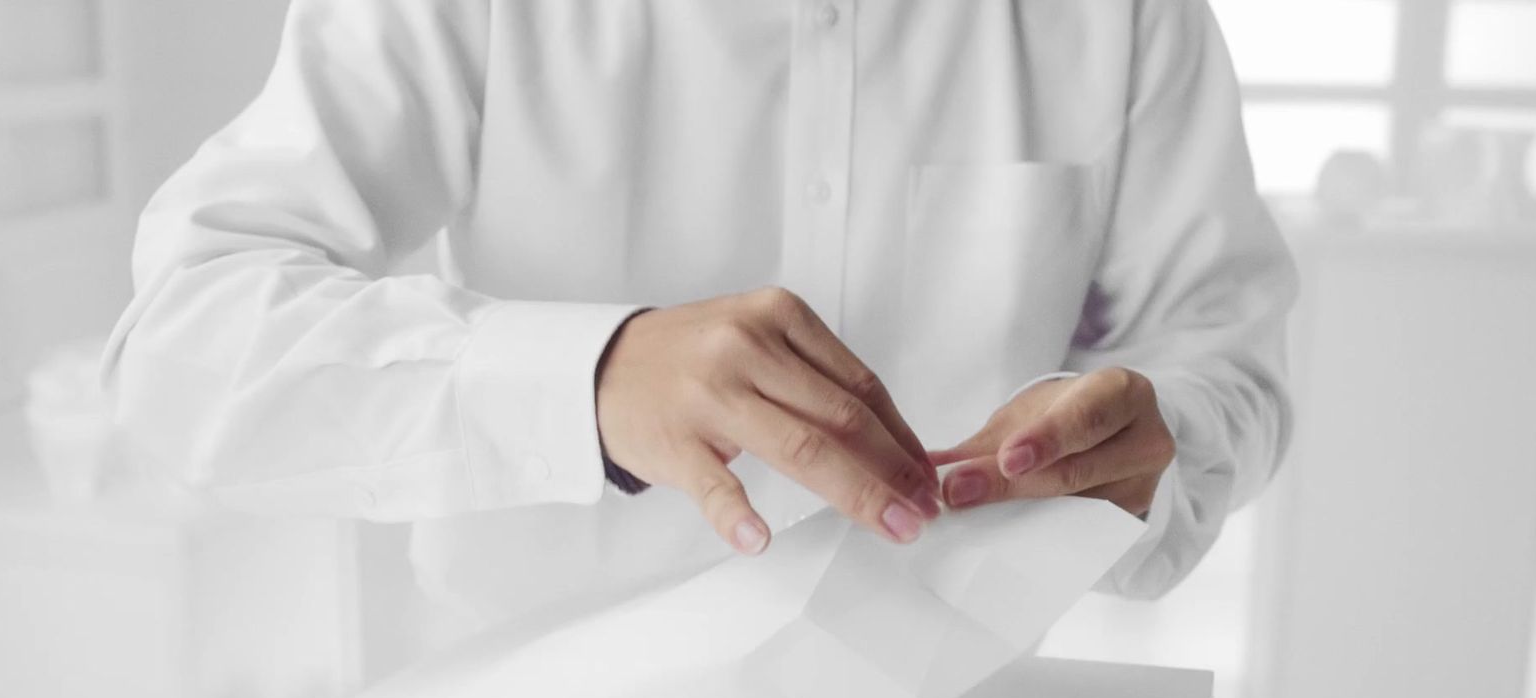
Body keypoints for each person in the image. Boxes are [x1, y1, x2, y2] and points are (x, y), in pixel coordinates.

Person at [104, 0, 1293, 658]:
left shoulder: (1128, 16)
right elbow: (181, 348)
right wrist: (587, 377)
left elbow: (1223, 357)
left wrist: (1150, 444)